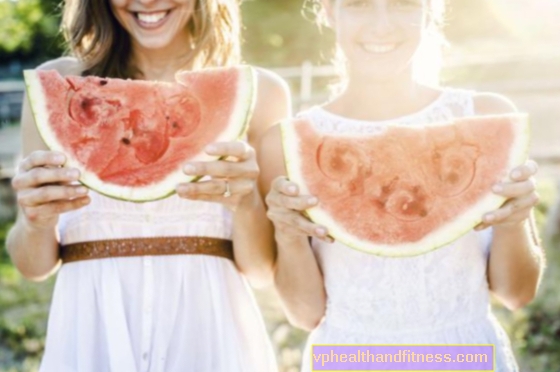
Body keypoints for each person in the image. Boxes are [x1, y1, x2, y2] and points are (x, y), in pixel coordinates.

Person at [258, 1, 545, 371]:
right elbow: (305, 314)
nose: (382, 25)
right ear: (329, 11)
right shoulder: (285, 145)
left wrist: (513, 222)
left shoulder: (485, 120)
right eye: (358, 4)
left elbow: (516, 293)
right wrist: (287, 234)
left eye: (402, 3)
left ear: (429, 10)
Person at [7, 0, 290, 371]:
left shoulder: (260, 92)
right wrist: (35, 221)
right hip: (93, 331)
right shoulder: (58, 87)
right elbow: (34, 267)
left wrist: (248, 202)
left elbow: (260, 271)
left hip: (208, 331)